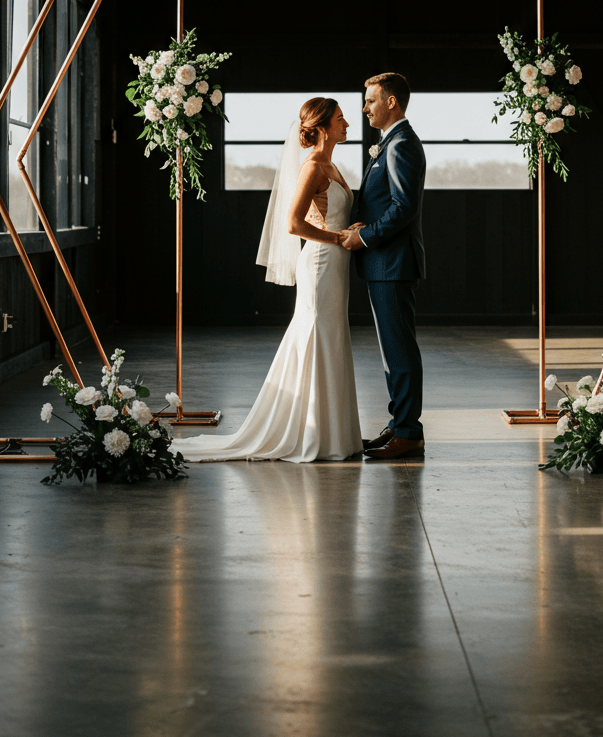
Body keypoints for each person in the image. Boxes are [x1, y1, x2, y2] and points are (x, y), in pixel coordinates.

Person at [174, 97, 362, 463]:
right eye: (341, 119)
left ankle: (332, 434)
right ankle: (310, 433)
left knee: (331, 337)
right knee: (316, 337)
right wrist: (338, 237)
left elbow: (331, 214)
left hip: (336, 263)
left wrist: (348, 228)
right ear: (322, 126)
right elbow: (294, 224)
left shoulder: (331, 164)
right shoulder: (313, 167)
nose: (348, 125)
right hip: (322, 262)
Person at [339, 72, 427, 461]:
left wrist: (366, 236)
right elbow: (383, 202)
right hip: (384, 264)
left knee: (400, 350)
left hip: (392, 262)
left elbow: (404, 207)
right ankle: (398, 424)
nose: (364, 107)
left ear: (391, 101)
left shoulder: (401, 143)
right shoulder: (389, 143)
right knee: (392, 350)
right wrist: (364, 223)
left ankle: (409, 433)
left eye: (370, 100)